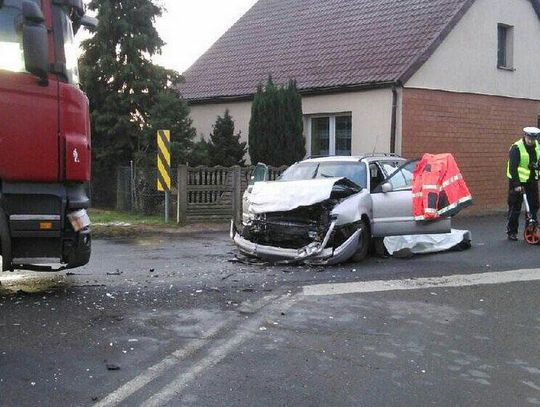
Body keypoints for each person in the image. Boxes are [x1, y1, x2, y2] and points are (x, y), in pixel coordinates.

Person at [506, 126, 540, 241]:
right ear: (525, 136)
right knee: (515, 207)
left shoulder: (537, 147)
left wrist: (536, 166)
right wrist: (516, 185)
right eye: (529, 138)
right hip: (518, 182)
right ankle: (511, 231)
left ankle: (531, 231)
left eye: (533, 138)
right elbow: (512, 168)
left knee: (533, 206)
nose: (531, 140)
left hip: (532, 181)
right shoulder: (516, 148)